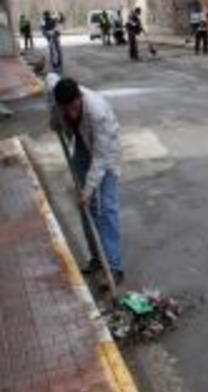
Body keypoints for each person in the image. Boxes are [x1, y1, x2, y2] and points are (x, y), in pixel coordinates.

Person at [50, 77, 124, 286]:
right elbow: (49, 80)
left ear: (80, 98)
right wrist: (55, 121)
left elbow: (100, 157)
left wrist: (88, 190)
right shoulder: (56, 98)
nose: (72, 113)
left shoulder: (98, 112)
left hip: (106, 152)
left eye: (75, 108)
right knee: (86, 208)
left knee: (107, 208)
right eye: (67, 110)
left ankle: (115, 267)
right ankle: (97, 258)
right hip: (82, 146)